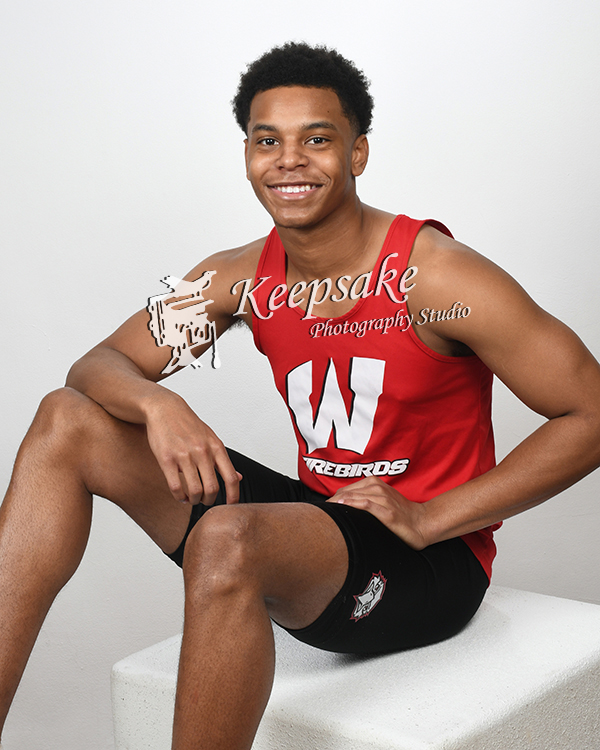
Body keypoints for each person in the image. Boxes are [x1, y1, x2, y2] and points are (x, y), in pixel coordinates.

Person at [1, 41, 599, 750]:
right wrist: (160, 404)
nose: (289, 160)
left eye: (316, 139)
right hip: (319, 530)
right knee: (65, 421)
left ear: (357, 153)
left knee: (227, 539)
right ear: (247, 155)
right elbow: (98, 364)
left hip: (429, 562)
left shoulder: (439, 278)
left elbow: (590, 413)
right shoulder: (240, 277)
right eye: (267, 141)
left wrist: (433, 515)